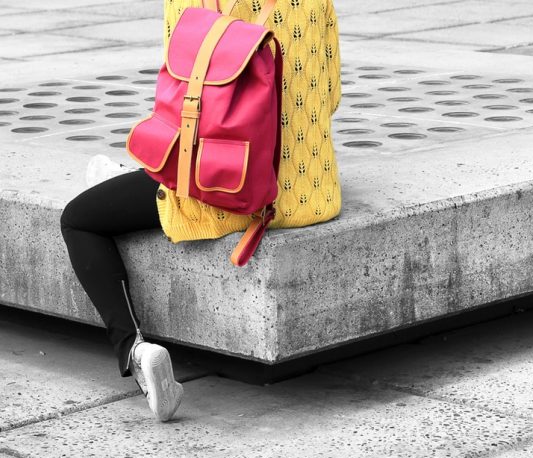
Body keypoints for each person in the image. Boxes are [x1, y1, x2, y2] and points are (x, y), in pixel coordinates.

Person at [60, 0, 342, 422]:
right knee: (124, 178)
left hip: (229, 188)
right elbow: (332, 93)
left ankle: (136, 350)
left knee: (79, 219)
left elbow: (182, 96)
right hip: (312, 186)